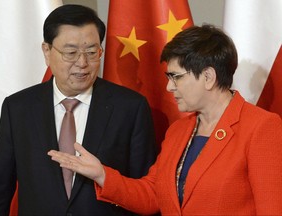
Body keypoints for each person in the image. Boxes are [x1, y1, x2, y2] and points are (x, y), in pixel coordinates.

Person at [48, 24, 282, 215]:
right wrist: (102, 174)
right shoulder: (179, 130)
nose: (169, 87)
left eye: (176, 77)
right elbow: (152, 195)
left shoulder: (261, 127)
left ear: (208, 77)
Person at [0, 4, 157, 216]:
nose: (82, 63)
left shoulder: (130, 108)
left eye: (91, 52)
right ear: (47, 51)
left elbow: (144, 191)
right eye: (71, 52)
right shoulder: (18, 108)